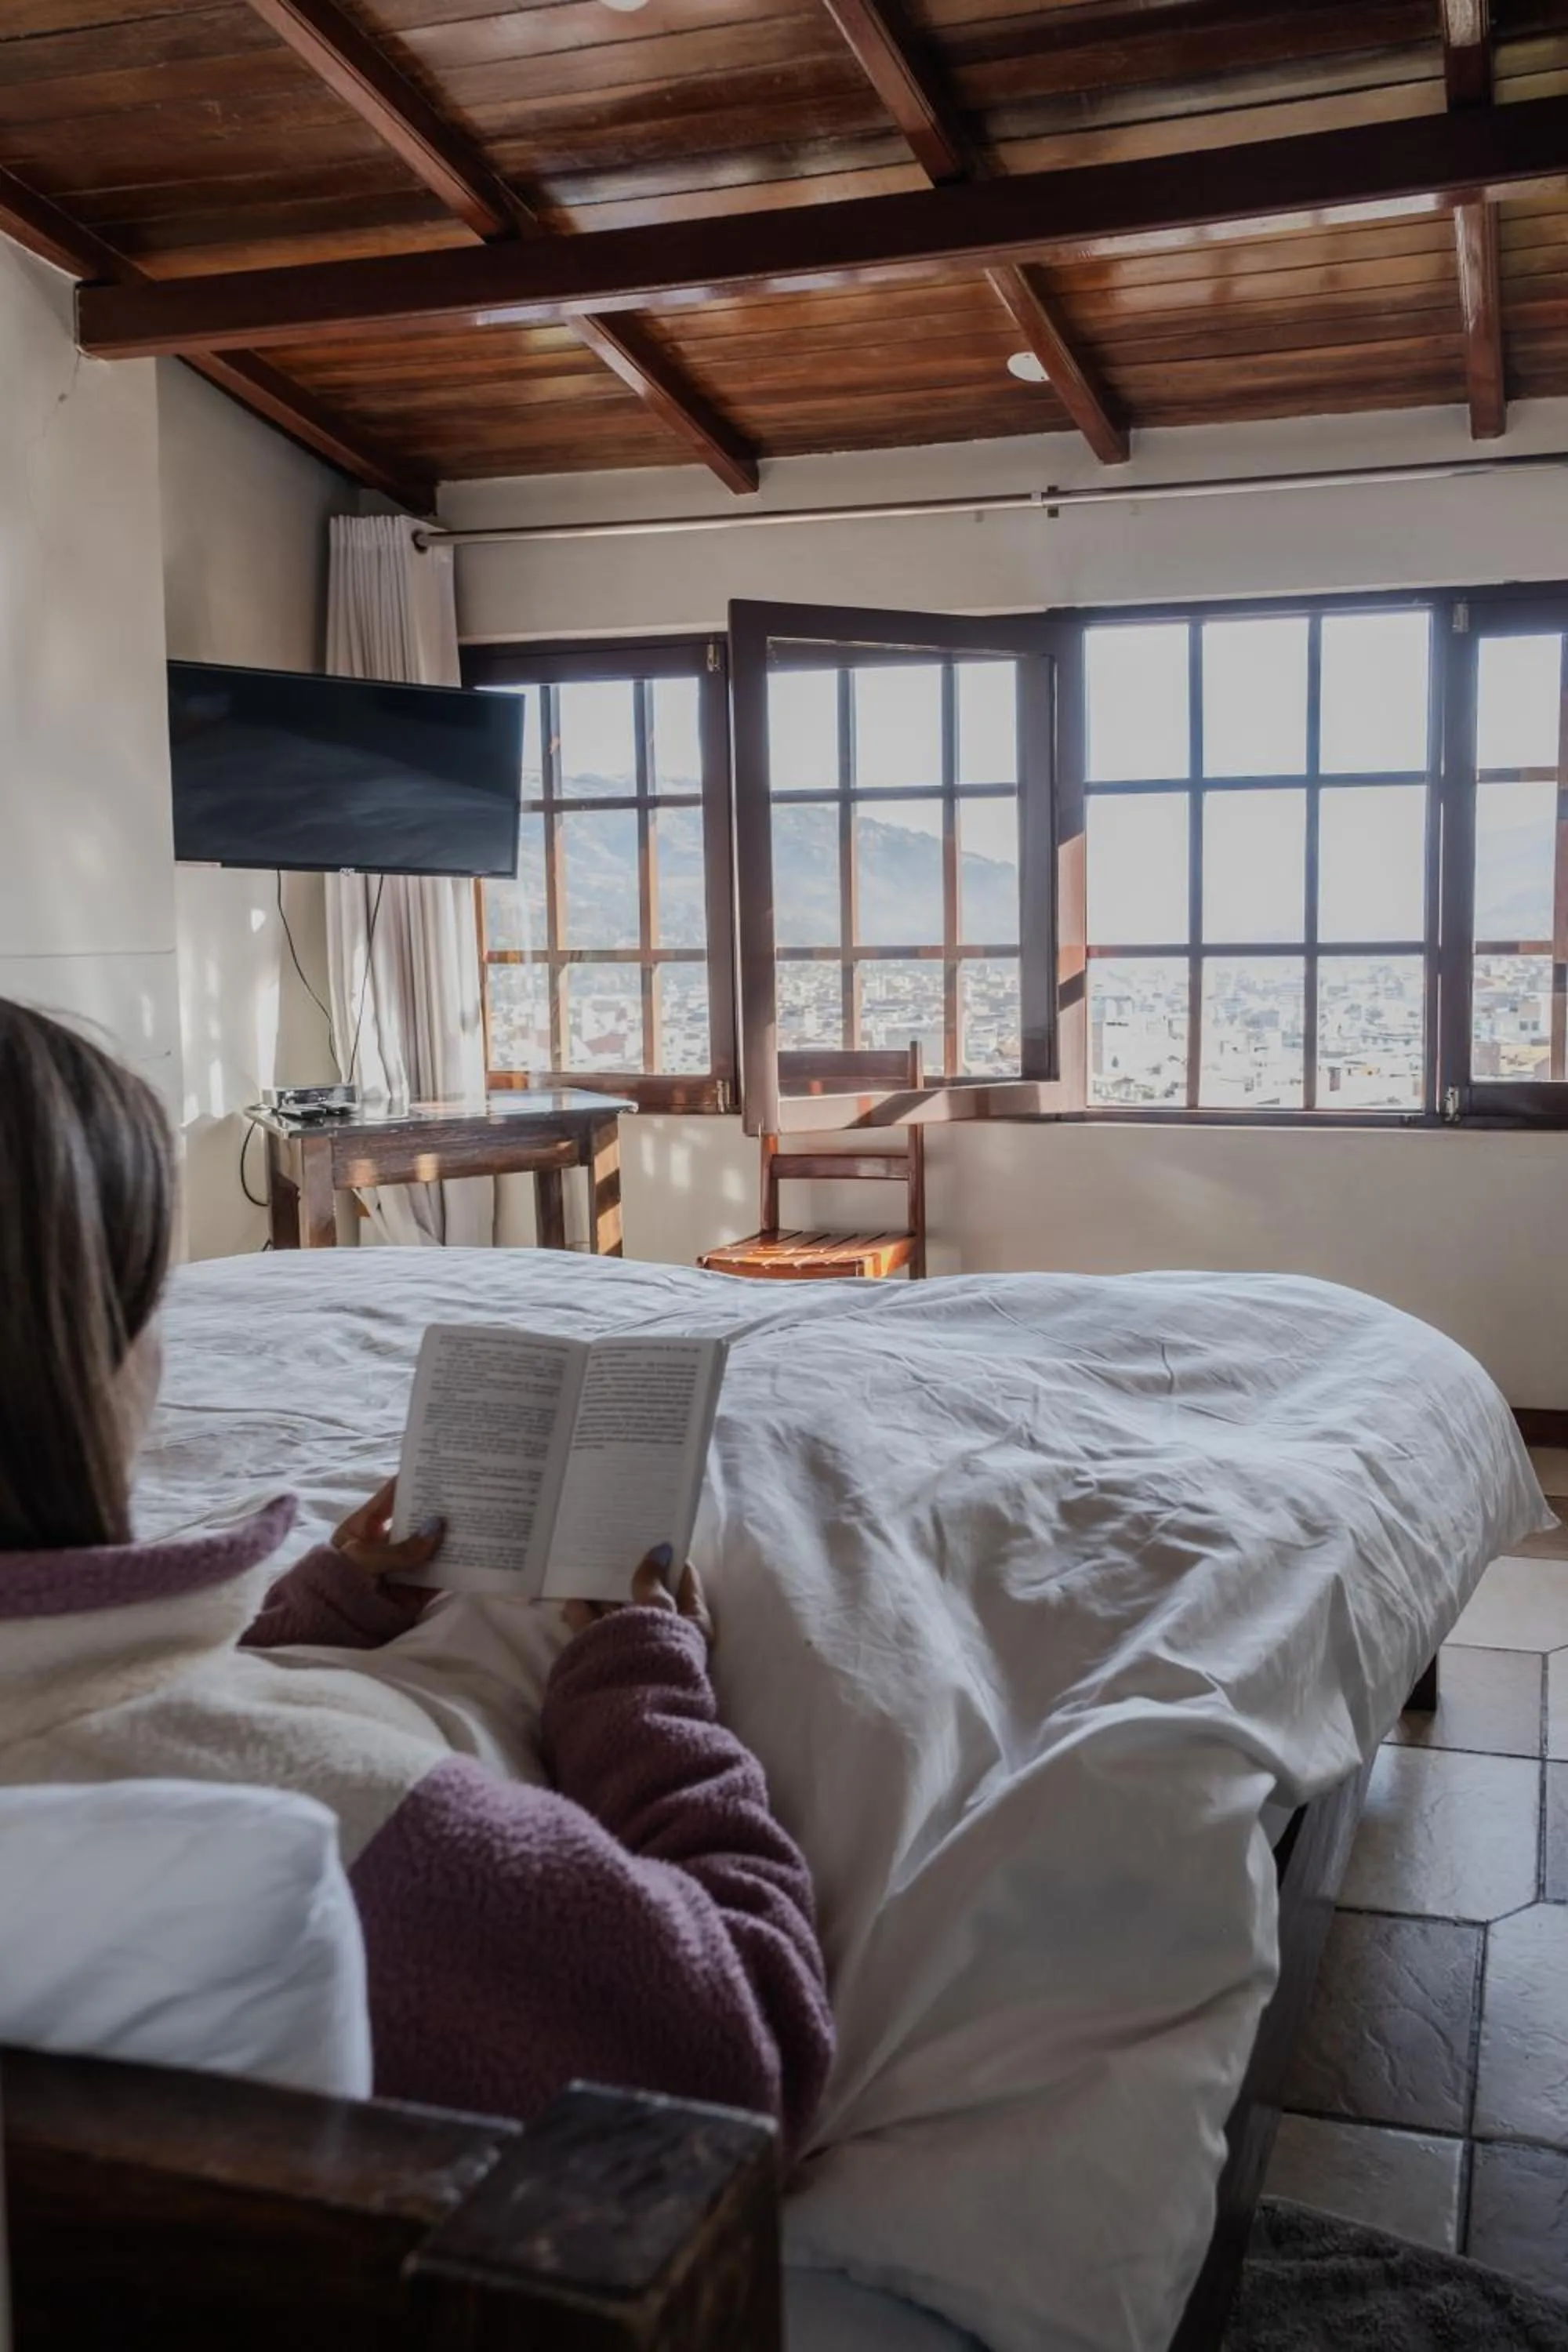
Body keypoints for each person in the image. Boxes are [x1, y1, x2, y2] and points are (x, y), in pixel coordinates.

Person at [0, 999, 833, 2152]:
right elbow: (747, 2049)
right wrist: (640, 1694)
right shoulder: (326, 1835)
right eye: (154, 1291)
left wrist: (324, 1608)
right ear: (63, 1363)